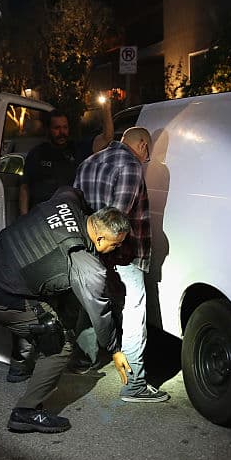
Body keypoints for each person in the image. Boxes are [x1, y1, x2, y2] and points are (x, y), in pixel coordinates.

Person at [0, 186, 131, 433]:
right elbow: (100, 311)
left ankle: (20, 367)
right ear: (99, 238)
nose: (115, 251)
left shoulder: (65, 202)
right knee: (59, 344)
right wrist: (115, 349)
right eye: (115, 246)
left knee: (43, 303)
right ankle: (26, 412)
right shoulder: (85, 265)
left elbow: (70, 189)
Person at [8, 102, 114, 381]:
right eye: (57, 127)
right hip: (41, 234)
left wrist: (106, 109)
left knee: (69, 296)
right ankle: (21, 363)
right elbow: (25, 188)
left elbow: (107, 140)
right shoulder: (37, 154)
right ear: (48, 129)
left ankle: (67, 353)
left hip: (70, 233)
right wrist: (23, 219)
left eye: (65, 127)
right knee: (34, 299)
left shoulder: (77, 149)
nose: (62, 132)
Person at [74, 126, 170, 403]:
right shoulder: (130, 166)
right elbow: (117, 221)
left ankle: (83, 360)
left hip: (92, 248)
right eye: (147, 155)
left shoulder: (88, 162)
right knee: (133, 310)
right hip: (123, 252)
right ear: (142, 146)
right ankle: (134, 383)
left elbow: (81, 210)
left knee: (91, 299)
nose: (145, 160)